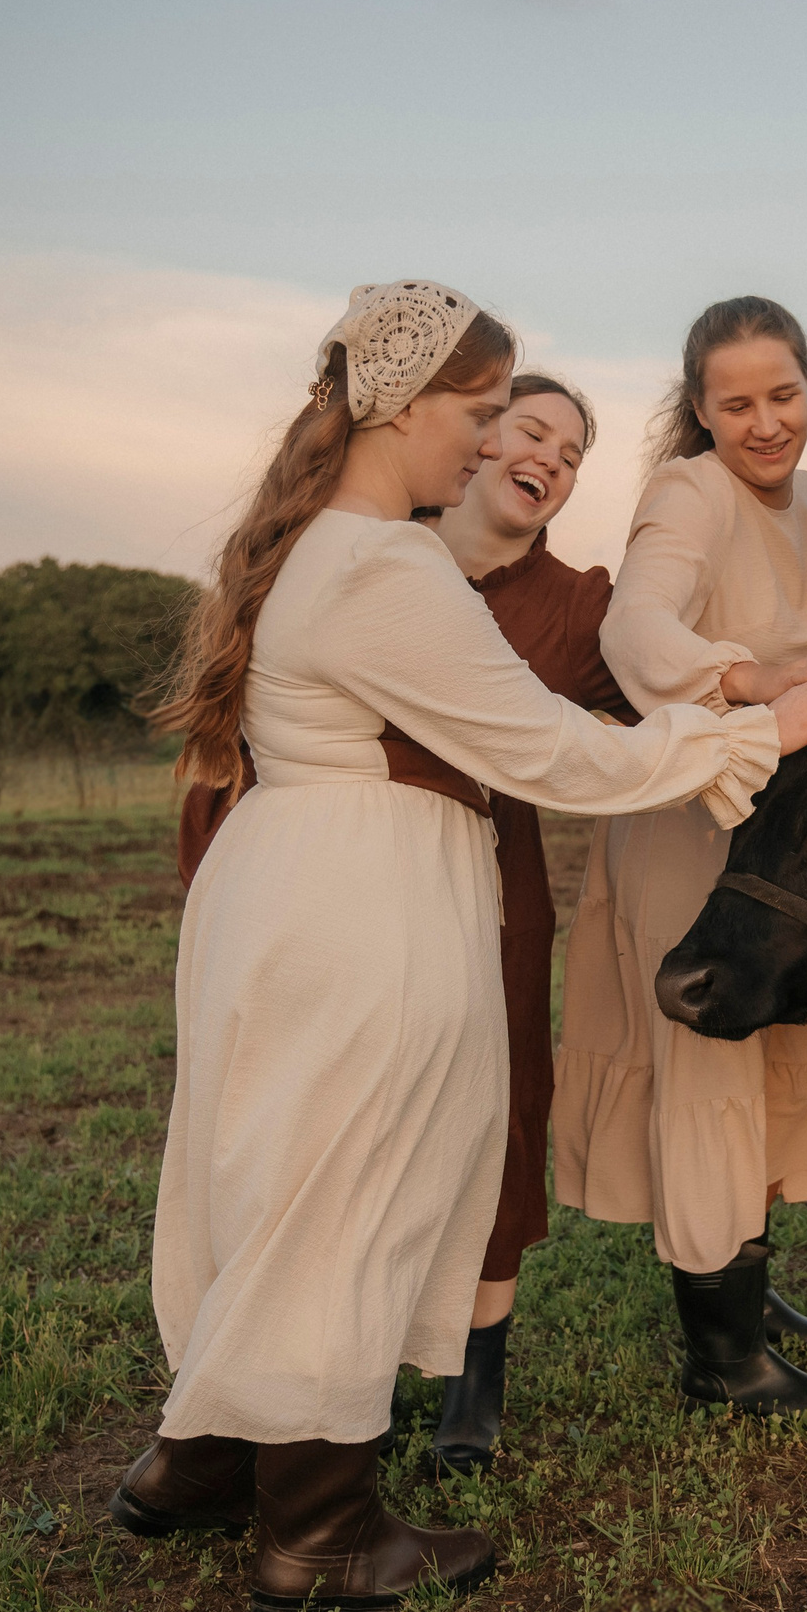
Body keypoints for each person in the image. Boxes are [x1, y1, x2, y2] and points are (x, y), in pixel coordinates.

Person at [114, 281, 807, 1612]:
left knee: (275, 1171)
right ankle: (321, 1529)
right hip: (361, 898)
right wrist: (759, 734)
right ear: (400, 406)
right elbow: (551, 749)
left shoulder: (319, 550)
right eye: (475, 411)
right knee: (343, 1181)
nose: (484, 441)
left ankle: (205, 1457)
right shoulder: (384, 565)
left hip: (300, 881)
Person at [168, 370, 631, 1483]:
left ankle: (466, 1379)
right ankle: (279, 1465)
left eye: (573, 457)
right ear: (468, 440)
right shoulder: (383, 559)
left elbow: (649, 686)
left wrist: (749, 695)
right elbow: (231, 751)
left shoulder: (575, 601)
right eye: (520, 427)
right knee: (323, 1148)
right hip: (349, 890)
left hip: (479, 882)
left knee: (490, 1113)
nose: (545, 460)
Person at [551, 297, 807, 1417]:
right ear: (697, 409)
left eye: (782, 395)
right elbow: (633, 629)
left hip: (783, 836)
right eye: (734, 403)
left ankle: (747, 1284)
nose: (764, 423)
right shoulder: (688, 492)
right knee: (706, 1069)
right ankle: (722, 1359)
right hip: (693, 820)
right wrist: (753, 681)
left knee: (762, 1061)